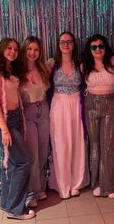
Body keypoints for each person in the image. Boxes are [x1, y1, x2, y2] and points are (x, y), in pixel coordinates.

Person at [0, 38, 35, 220]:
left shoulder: (11, 70)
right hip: (4, 123)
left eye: (15, 49)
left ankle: (8, 203)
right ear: (1, 49)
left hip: (15, 119)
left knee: (14, 164)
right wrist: (5, 130)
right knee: (23, 163)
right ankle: (15, 209)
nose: (13, 52)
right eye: (9, 48)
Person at [48, 31, 89, 199]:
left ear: (73, 44)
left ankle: (76, 183)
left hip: (76, 106)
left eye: (69, 41)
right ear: (58, 45)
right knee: (60, 144)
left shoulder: (80, 65)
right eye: (62, 42)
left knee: (78, 142)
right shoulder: (52, 64)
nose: (66, 44)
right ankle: (61, 183)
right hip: (58, 106)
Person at [82, 34, 114, 198]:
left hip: (110, 106)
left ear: (106, 47)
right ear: (89, 50)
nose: (98, 49)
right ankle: (96, 183)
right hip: (91, 105)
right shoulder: (84, 66)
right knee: (95, 146)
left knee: (107, 145)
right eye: (94, 47)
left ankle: (109, 186)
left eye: (101, 46)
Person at [19, 36, 50, 208]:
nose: (32, 53)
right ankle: (31, 193)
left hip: (44, 110)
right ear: (25, 50)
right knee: (32, 154)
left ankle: (40, 188)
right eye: (29, 49)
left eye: (36, 50)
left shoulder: (44, 68)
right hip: (28, 112)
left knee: (43, 151)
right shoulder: (18, 71)